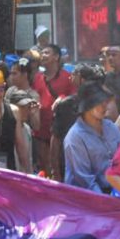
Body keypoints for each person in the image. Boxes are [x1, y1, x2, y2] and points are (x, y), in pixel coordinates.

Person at [63, 82, 120, 193]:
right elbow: (85, 181)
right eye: (98, 102)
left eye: (105, 101)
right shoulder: (75, 138)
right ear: (87, 106)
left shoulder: (110, 126)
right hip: (87, 196)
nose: (104, 106)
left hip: (116, 189)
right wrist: (106, 200)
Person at [32, 44, 76, 175]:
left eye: (46, 53)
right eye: (42, 53)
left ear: (56, 57)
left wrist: (62, 98)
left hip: (60, 132)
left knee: (59, 167)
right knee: (44, 168)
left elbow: (75, 98)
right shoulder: (37, 77)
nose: (42, 55)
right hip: (40, 131)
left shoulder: (68, 77)